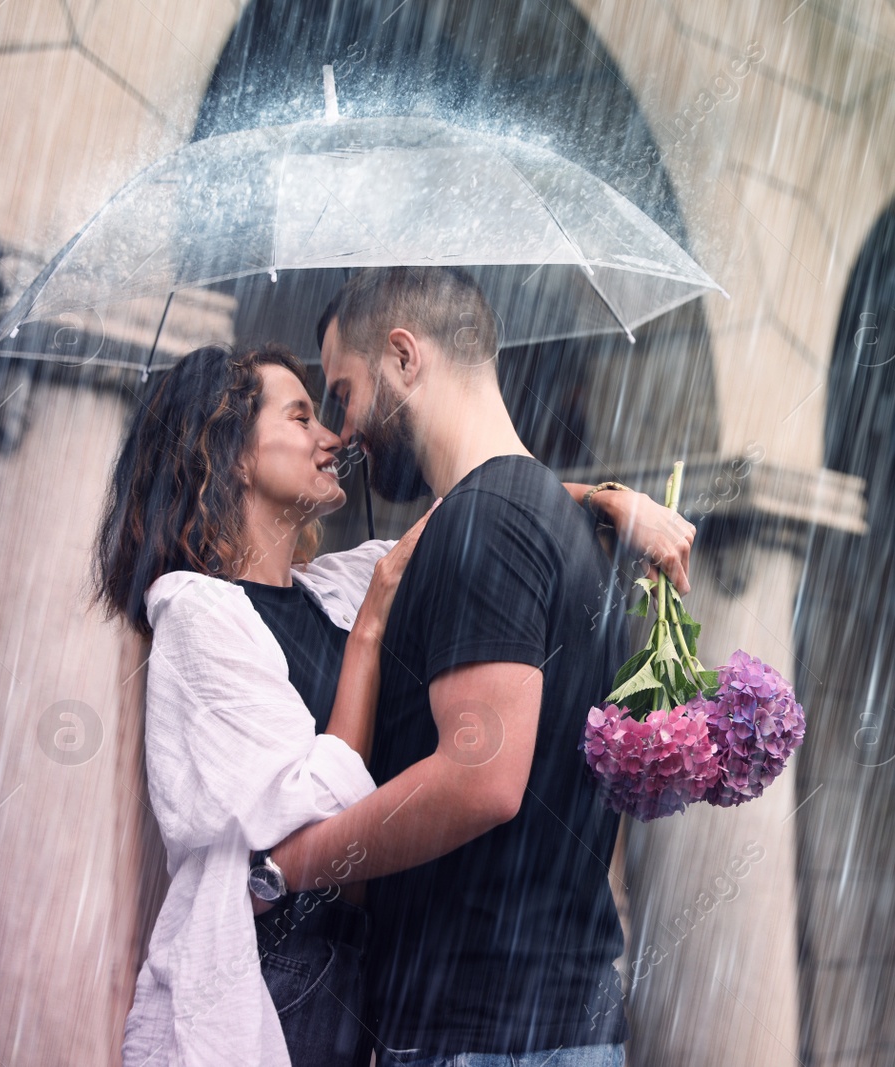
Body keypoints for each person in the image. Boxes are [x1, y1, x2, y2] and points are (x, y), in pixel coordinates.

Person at [95, 340, 692, 1067]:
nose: (334, 438)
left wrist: (607, 500)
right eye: (303, 417)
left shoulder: (331, 586)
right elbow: (307, 804)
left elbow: (478, 500)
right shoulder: (196, 611)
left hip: (357, 974)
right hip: (274, 968)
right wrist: (371, 633)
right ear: (236, 456)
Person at [262, 266, 688, 1067]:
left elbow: (479, 779)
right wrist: (603, 495)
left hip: (480, 1036)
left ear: (403, 356)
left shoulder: (484, 525)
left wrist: (288, 865)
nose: (342, 431)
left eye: (343, 394)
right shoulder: (545, 519)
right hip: (547, 1024)